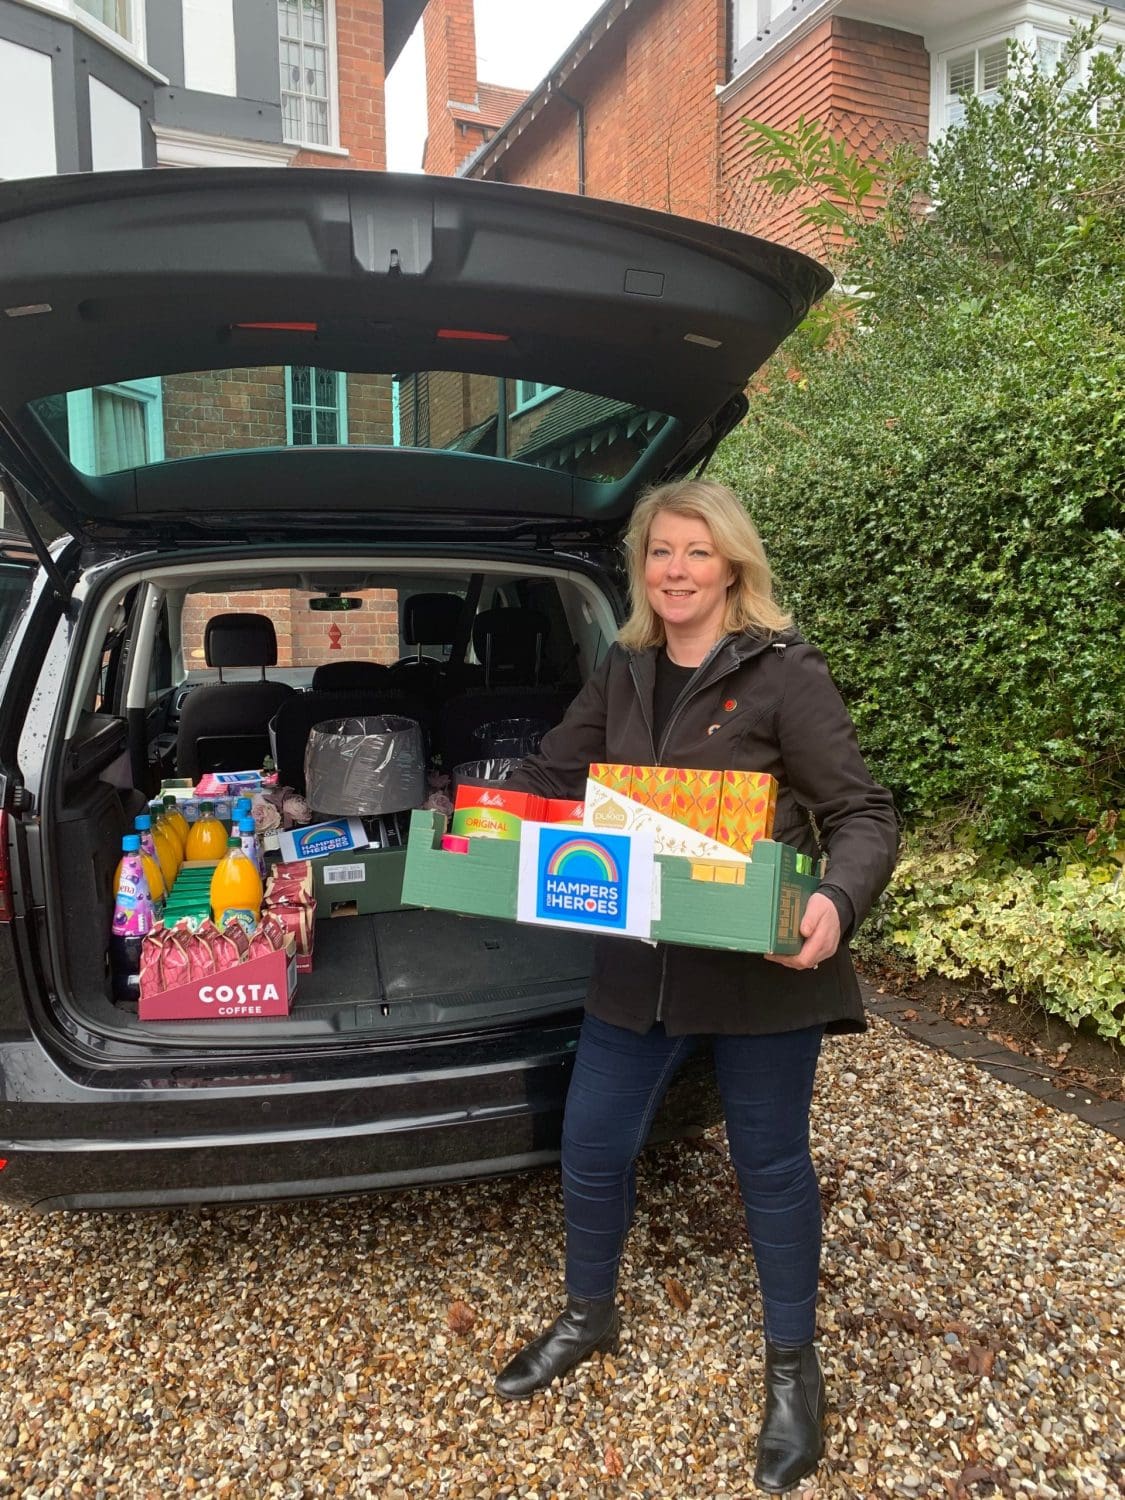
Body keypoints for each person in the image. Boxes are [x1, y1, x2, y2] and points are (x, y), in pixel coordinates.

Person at [494, 478, 898, 1493]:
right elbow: (555, 774)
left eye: (695, 551)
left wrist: (836, 906)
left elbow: (864, 815)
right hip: (639, 967)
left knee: (769, 1167)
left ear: (733, 566)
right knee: (590, 1144)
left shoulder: (784, 676)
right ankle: (590, 1317)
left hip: (761, 972)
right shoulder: (624, 668)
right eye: (660, 553)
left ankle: (794, 1372)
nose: (675, 570)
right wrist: (474, 809)